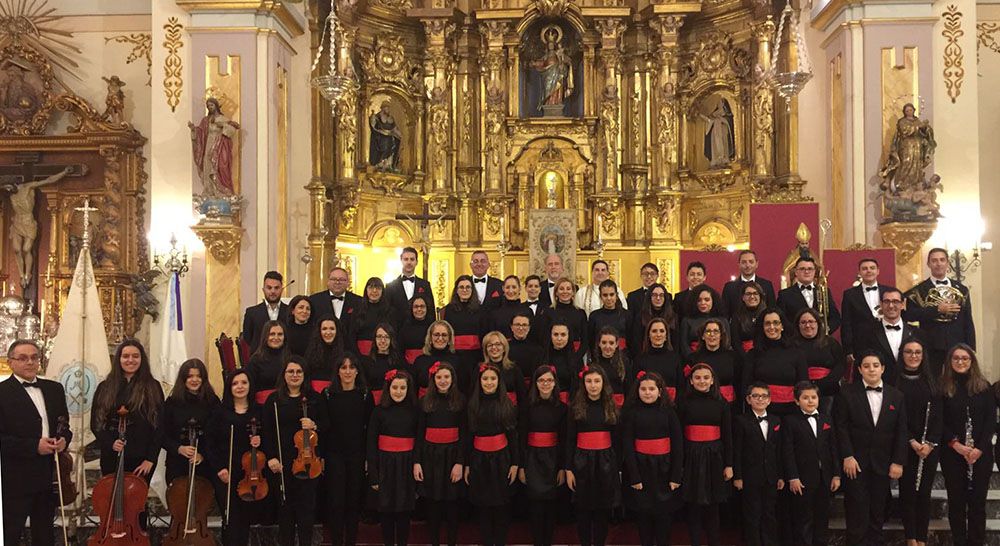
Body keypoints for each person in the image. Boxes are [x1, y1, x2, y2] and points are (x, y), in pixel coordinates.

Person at [0, 339, 72, 546]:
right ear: (10, 362)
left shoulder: (54, 389)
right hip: (13, 479)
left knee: (45, 536)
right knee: (9, 534)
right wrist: (34, 446)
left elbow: (64, 426)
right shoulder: (2, 393)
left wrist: (64, 440)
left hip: (47, 476)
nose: (29, 362)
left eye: (34, 357)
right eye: (22, 358)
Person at [833, 351, 908, 546]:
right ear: (859, 369)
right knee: (856, 512)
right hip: (855, 463)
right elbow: (840, 427)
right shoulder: (847, 393)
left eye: (875, 365)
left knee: (878, 512)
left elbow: (901, 432)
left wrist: (898, 461)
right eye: (866, 366)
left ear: (883, 368)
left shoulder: (896, 395)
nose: (871, 369)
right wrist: (847, 455)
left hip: (883, 463)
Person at [263, 357, 330, 546]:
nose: (294, 375)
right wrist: (271, 457)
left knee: (307, 512)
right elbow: (267, 431)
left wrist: (314, 424)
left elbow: (327, 425)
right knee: (285, 513)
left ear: (304, 375)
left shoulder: (315, 398)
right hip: (282, 463)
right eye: (290, 372)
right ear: (283, 375)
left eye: (299, 372)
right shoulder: (274, 400)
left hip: (308, 462)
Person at [939, 344, 994, 546]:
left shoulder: (984, 387)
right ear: (950, 362)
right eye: (956, 358)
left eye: (965, 358)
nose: (960, 362)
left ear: (972, 362)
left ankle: (976, 542)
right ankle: (960, 541)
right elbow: (939, 422)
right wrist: (956, 445)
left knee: (978, 503)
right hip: (953, 454)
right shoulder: (942, 389)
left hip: (980, 455)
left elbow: (990, 421)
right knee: (957, 502)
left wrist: (978, 449)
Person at [621, 371, 683, 546]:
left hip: (665, 470)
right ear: (637, 391)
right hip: (641, 470)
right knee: (643, 517)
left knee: (664, 518)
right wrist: (634, 475)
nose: (647, 393)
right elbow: (627, 446)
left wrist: (675, 476)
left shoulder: (669, 412)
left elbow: (678, 445)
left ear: (660, 391)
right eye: (643, 389)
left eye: (651, 389)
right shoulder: (631, 413)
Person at [92, 339, 163, 479]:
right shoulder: (105, 387)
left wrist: (151, 459)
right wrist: (111, 443)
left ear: (142, 359)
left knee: (136, 500)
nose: (130, 360)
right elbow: (96, 423)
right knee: (111, 498)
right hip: (111, 456)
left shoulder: (153, 387)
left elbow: (159, 426)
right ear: (118, 359)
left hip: (142, 459)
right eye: (125, 356)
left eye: (135, 356)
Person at [678, 363, 732, 546]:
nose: (702, 381)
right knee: (693, 507)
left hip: (714, 456)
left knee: (713, 507)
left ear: (712, 380)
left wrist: (729, 464)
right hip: (691, 455)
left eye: (706, 378)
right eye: (698, 378)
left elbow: (728, 435)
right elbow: (679, 434)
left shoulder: (721, 403)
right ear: (691, 381)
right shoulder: (684, 402)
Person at [566, 365, 620, 546]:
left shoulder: (610, 406)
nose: (593, 385)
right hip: (581, 463)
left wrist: (616, 468)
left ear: (603, 383)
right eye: (589, 381)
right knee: (583, 510)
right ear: (583, 384)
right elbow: (570, 440)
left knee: (602, 510)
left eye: (597, 381)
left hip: (605, 462)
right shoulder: (575, 407)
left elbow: (617, 439)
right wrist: (569, 469)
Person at [466, 363, 519, 546]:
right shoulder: (472, 405)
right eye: (485, 379)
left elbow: (513, 436)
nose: (489, 382)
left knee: (501, 506)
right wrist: (466, 464)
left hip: (502, 460)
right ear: (479, 381)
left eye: (493, 379)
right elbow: (468, 437)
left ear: (499, 381)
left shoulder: (507, 405)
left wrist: (515, 463)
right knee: (484, 507)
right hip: (479, 461)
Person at [896, 338, 942, 546]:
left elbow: (939, 416)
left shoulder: (932, 381)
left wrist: (930, 443)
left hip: (928, 447)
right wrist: (911, 441)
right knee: (907, 493)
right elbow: (896, 418)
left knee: (923, 493)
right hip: (905, 444)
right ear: (902, 354)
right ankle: (910, 538)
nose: (913, 356)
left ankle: (922, 539)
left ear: (923, 356)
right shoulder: (895, 382)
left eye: (917, 352)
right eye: (909, 352)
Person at [207, 369, 261, 546]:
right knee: (230, 518)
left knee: (245, 518)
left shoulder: (257, 411)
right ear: (229, 387)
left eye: (244, 383)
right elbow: (210, 443)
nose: (240, 387)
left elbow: (268, 440)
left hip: (250, 473)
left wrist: (259, 440)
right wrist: (219, 468)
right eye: (235, 383)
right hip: (226, 472)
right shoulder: (220, 412)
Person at [367, 369, 419, 546]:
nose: (398, 391)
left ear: (408, 389)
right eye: (395, 387)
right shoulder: (379, 411)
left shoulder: (414, 411)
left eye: (402, 388)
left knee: (404, 511)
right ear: (388, 389)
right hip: (385, 465)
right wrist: (373, 473)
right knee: (386, 511)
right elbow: (371, 444)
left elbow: (419, 441)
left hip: (406, 464)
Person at [783, 381, 840, 546]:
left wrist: (836, 474)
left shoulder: (826, 419)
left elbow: (833, 448)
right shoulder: (790, 421)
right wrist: (793, 477)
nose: (810, 401)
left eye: (813, 397)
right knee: (803, 518)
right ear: (796, 400)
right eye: (805, 398)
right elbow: (788, 452)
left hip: (825, 477)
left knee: (822, 516)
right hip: (802, 478)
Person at [903, 248, 976, 375]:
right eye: (934, 260)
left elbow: (967, 320)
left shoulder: (962, 289)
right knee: (933, 381)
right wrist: (937, 310)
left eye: (942, 260)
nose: (938, 263)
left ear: (947, 263)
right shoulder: (918, 290)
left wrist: (970, 347)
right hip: (931, 344)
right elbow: (910, 315)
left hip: (957, 344)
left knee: (958, 380)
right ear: (928, 264)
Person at [416, 361, 466, 546]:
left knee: (452, 505)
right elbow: (419, 434)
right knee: (433, 505)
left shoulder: (460, 400)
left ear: (453, 379)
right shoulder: (424, 402)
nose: (443, 380)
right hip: (430, 457)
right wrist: (417, 462)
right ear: (433, 379)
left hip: (453, 457)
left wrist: (460, 462)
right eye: (439, 377)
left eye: (446, 377)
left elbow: (464, 434)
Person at [324, 354, 371, 546]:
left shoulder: (365, 395)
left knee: (353, 501)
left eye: (352, 367)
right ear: (338, 371)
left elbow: (370, 427)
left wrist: (368, 457)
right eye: (343, 368)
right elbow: (325, 428)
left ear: (357, 371)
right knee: (336, 502)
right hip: (334, 455)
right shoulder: (327, 394)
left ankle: (350, 541)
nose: (348, 371)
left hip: (357, 454)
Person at [519, 365, 566, 546]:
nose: (545, 384)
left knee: (551, 505)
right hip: (532, 459)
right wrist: (522, 466)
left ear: (555, 383)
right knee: (535, 506)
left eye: (549, 380)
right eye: (541, 380)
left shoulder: (562, 408)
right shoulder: (527, 406)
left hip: (553, 460)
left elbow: (563, 440)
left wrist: (562, 467)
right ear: (535, 383)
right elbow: (522, 436)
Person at [732, 383, 782, 546]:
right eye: (756, 396)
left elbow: (779, 451)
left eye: (764, 396)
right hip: (750, 476)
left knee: (769, 513)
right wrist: (738, 476)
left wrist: (780, 475)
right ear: (748, 399)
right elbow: (737, 451)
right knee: (752, 514)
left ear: (769, 400)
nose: (760, 399)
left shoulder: (776, 420)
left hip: (771, 476)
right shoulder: (741, 421)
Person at [158, 359, 221, 487]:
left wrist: (202, 455)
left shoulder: (212, 401)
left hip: (204, 464)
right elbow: (161, 433)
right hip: (177, 463)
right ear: (183, 379)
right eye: (190, 376)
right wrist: (179, 448)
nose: (194, 380)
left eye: (198, 376)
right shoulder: (172, 402)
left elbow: (217, 433)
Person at [743, 308, 807, 416]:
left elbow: (803, 385)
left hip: (791, 413)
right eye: (767, 323)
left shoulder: (797, 353)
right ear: (762, 327)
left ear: (782, 326)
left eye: (776, 323)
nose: (772, 327)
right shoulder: (753, 354)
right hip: (761, 412)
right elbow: (746, 386)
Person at [855, 287, 919, 385]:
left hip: (910, 387)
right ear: (881, 304)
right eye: (886, 301)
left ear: (902, 304)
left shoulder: (917, 333)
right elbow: (861, 364)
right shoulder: (866, 333)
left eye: (895, 301)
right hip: (881, 388)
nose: (891, 305)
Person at [840, 258, 893, 363]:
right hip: (861, 344)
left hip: (887, 340)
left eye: (872, 268)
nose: (868, 271)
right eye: (864, 268)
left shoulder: (890, 291)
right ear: (859, 272)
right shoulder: (849, 295)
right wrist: (848, 350)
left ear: (878, 271)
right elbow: (846, 323)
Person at [793, 308, 845, 413]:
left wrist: (822, 384)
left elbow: (841, 365)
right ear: (798, 325)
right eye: (803, 322)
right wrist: (806, 386)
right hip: (800, 395)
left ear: (818, 323)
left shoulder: (831, 342)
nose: (807, 325)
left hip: (829, 393)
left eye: (811, 321)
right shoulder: (791, 345)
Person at [440, 276, 486, 392]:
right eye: (461, 287)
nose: (464, 290)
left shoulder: (481, 310)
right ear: (456, 290)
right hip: (454, 356)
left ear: (472, 290)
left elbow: (484, 333)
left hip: (475, 357)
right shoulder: (448, 310)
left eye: (468, 287)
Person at [776, 257, 842, 334]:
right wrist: (799, 333)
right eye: (802, 269)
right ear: (796, 272)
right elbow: (781, 319)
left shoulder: (824, 291)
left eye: (810, 269)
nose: (806, 271)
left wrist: (825, 330)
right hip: (795, 342)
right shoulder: (784, 295)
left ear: (814, 272)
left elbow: (835, 318)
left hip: (821, 342)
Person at [687, 318, 739, 404]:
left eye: (716, 331)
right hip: (699, 402)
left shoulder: (732, 356)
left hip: (728, 403)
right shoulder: (693, 358)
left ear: (721, 336)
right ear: (703, 336)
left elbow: (738, 383)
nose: (712, 334)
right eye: (708, 331)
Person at [633, 318, 683, 403]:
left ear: (666, 335)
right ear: (648, 335)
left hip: (671, 406)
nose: (658, 334)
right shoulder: (639, 359)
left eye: (662, 331)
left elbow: (681, 387)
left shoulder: (675, 359)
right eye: (654, 331)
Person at [309, 266, 363, 339]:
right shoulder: (314, 300)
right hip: (321, 346)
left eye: (341, 280)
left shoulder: (359, 301)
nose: (337, 282)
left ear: (348, 282)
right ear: (328, 281)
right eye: (334, 279)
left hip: (349, 347)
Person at [679, 284, 728, 360]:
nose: (703, 303)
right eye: (699, 300)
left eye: (707, 299)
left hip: (719, 359)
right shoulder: (687, 321)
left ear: (713, 300)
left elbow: (727, 343)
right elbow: (684, 345)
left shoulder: (723, 321)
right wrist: (693, 359)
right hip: (693, 360)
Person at [384, 246, 435, 318]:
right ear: (401, 261)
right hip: (397, 328)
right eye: (406, 259)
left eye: (412, 259)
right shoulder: (390, 287)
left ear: (416, 262)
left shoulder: (425, 285)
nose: (409, 262)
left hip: (420, 328)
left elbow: (431, 310)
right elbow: (386, 313)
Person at [242, 271, 288, 350]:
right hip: (259, 359)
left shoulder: (290, 311)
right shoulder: (252, 313)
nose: (273, 291)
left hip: (284, 359)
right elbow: (247, 338)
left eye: (276, 288)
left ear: (282, 289)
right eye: (269, 288)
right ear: (263, 289)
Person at [721, 250, 776, 315]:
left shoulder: (767, 285)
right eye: (744, 262)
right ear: (739, 264)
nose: (747, 265)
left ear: (757, 264)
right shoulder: (729, 288)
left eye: (751, 262)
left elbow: (772, 311)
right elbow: (725, 314)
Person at [354, 277, 400, 356]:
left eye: (378, 288)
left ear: (383, 291)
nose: (374, 291)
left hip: (383, 353)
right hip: (360, 354)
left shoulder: (390, 311)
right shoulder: (358, 310)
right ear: (366, 290)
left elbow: (394, 335)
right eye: (371, 287)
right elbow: (352, 335)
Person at [246, 320, 289, 404]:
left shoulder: (290, 359)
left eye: (280, 334)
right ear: (265, 337)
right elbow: (250, 388)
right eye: (272, 334)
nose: (276, 338)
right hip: (264, 404)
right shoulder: (255, 361)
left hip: (287, 402)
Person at [629, 283, 676, 357]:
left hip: (669, 357)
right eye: (654, 295)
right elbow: (636, 342)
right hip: (644, 357)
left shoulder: (673, 317)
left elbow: (676, 342)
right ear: (649, 297)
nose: (658, 298)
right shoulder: (640, 317)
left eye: (661, 295)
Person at [414, 320, 457, 398]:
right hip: (425, 406)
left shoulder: (458, 360)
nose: (440, 338)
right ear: (430, 337)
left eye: (444, 335)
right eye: (436, 335)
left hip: (452, 404)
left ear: (449, 338)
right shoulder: (419, 361)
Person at [365, 323, 406, 404]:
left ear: (391, 340)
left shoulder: (399, 361)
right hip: (373, 403)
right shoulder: (367, 361)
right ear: (374, 339)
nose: (383, 341)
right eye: (379, 337)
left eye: (386, 337)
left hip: (393, 402)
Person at [545, 277, 588, 356]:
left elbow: (585, 340)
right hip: (553, 356)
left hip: (575, 356)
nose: (565, 291)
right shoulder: (548, 312)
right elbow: (545, 338)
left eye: (568, 289)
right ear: (556, 292)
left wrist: (577, 357)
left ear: (573, 292)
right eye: (561, 289)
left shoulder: (580, 313)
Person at [587, 279, 631, 355]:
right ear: (600, 296)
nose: (609, 298)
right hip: (599, 359)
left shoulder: (626, 315)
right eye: (605, 295)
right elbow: (591, 341)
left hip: (622, 358)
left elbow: (631, 341)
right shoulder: (594, 316)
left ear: (616, 295)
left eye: (611, 294)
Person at [481, 331, 526, 406]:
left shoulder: (514, 369)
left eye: (498, 344)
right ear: (486, 349)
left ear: (504, 348)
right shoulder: (480, 369)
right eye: (490, 345)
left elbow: (522, 396)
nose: (494, 347)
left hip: (511, 411)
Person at [591, 327, 632, 408]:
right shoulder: (594, 364)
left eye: (611, 343)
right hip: (600, 406)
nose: (607, 346)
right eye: (604, 342)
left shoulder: (625, 362)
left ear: (617, 344)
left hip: (620, 406)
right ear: (599, 343)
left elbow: (629, 388)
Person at [544, 322, 584, 403]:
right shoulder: (542, 357)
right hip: (547, 402)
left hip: (570, 403)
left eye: (563, 335)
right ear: (550, 336)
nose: (559, 339)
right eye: (555, 334)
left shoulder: (577, 359)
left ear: (569, 336)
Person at [305, 315, 345, 391]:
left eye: (332, 329)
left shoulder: (344, 351)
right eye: (324, 329)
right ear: (319, 331)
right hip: (314, 392)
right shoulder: (311, 351)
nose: (328, 332)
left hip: (336, 391)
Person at [730, 282, 765, 355]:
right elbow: (735, 342)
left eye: (755, 293)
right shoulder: (736, 317)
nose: (752, 297)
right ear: (743, 297)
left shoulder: (767, 315)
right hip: (744, 356)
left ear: (760, 296)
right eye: (748, 294)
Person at [400, 294, 435, 365]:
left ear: (427, 308)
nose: (419, 309)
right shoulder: (404, 328)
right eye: (416, 307)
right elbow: (400, 351)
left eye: (422, 306)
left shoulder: (433, 327)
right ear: (411, 309)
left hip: (429, 364)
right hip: (408, 365)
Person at [508, 311, 544, 380]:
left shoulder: (538, 350)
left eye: (524, 325)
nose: (521, 328)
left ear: (529, 328)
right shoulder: (505, 348)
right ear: (511, 327)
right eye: (517, 325)